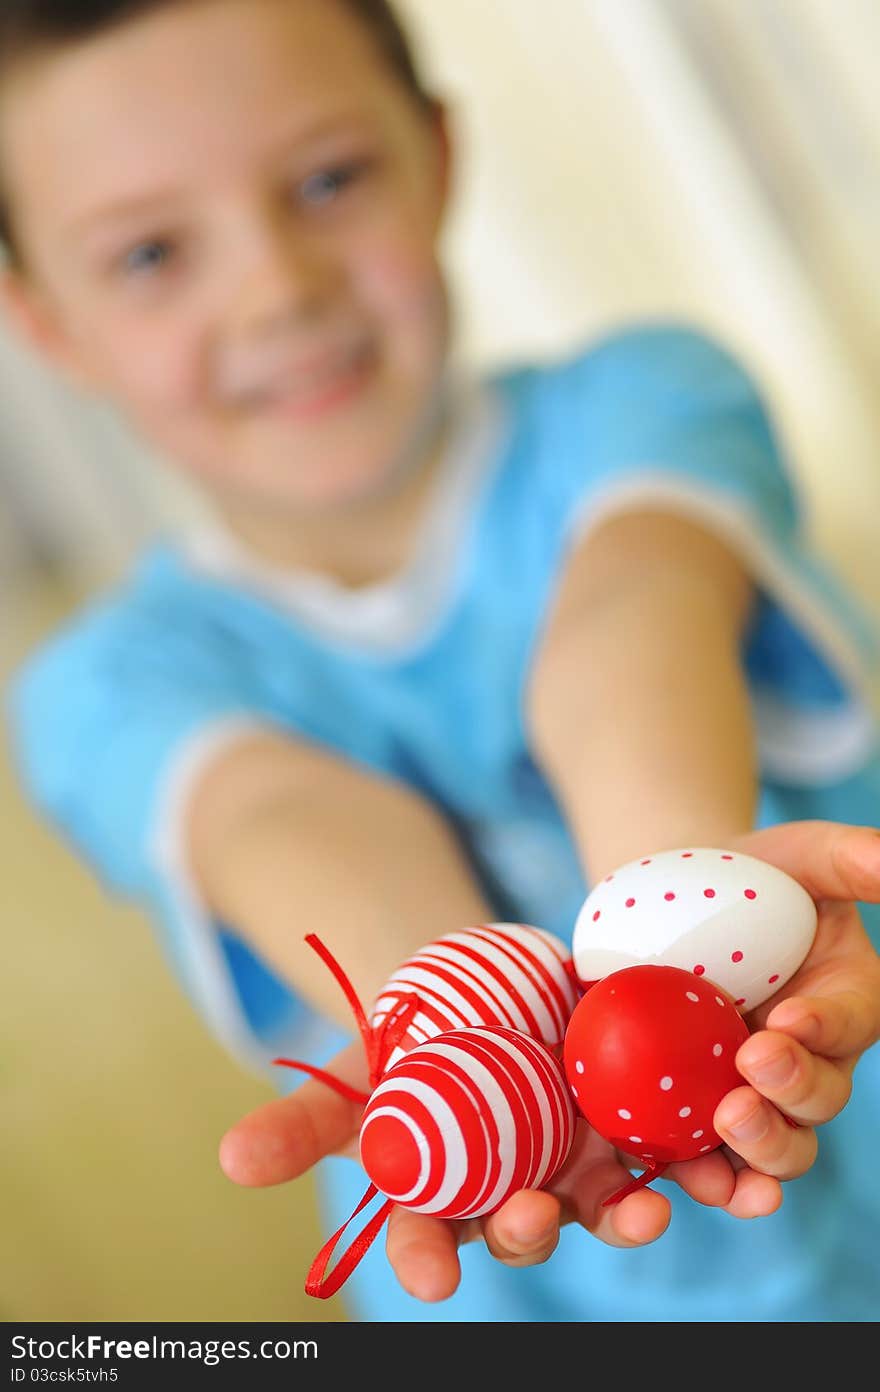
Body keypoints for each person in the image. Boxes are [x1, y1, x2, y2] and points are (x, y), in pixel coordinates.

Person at [3, 0, 880, 1323]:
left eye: (328, 180)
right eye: (149, 255)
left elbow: (627, 618)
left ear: (439, 160)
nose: (279, 286)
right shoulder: (100, 686)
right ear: (49, 325)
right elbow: (288, 819)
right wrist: (492, 1054)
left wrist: (678, 943)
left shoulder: (644, 397)